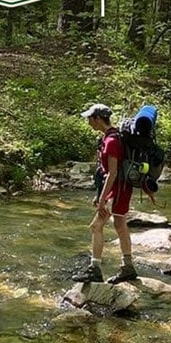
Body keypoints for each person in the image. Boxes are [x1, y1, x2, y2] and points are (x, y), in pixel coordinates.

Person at [72, 104, 137, 284]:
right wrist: (99, 193)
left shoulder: (111, 141)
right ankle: (128, 268)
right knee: (120, 225)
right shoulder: (113, 136)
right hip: (122, 189)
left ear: (98, 118)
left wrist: (102, 199)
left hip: (116, 191)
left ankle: (95, 269)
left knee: (95, 226)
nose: (89, 122)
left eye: (90, 118)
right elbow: (105, 172)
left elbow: (112, 173)